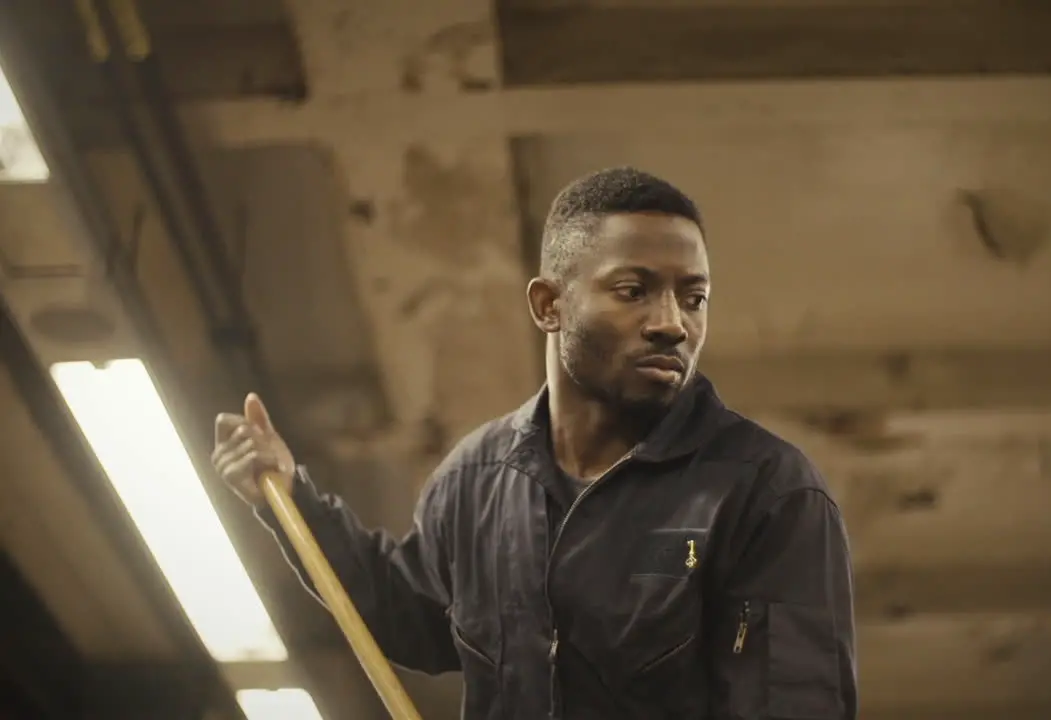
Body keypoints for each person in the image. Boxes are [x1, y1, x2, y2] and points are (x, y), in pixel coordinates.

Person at [212, 167, 858, 719]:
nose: (672, 323)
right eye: (634, 292)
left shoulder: (767, 492)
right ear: (549, 304)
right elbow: (411, 614)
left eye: (694, 298)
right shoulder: (474, 481)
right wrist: (290, 499)